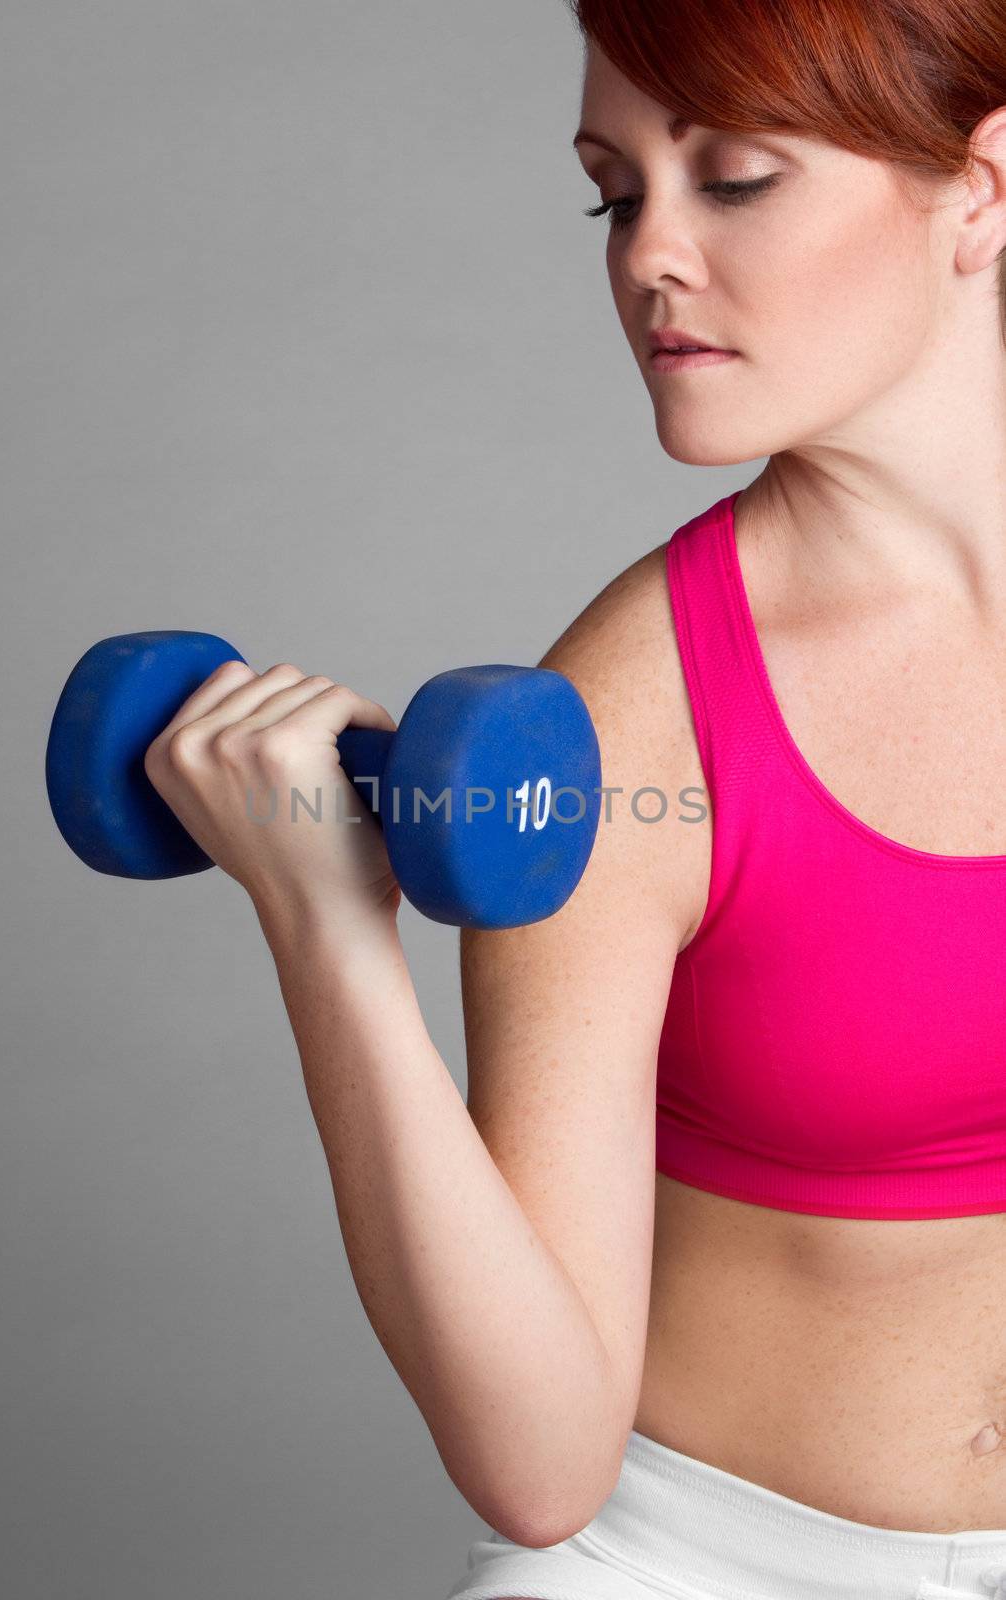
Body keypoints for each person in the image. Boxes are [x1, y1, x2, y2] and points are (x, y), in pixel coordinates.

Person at [141, 2, 1006, 1597]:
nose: (649, 257)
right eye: (616, 193)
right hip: (705, 1563)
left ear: (983, 187)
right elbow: (539, 1464)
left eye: (734, 178)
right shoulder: (618, 729)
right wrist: (330, 932)